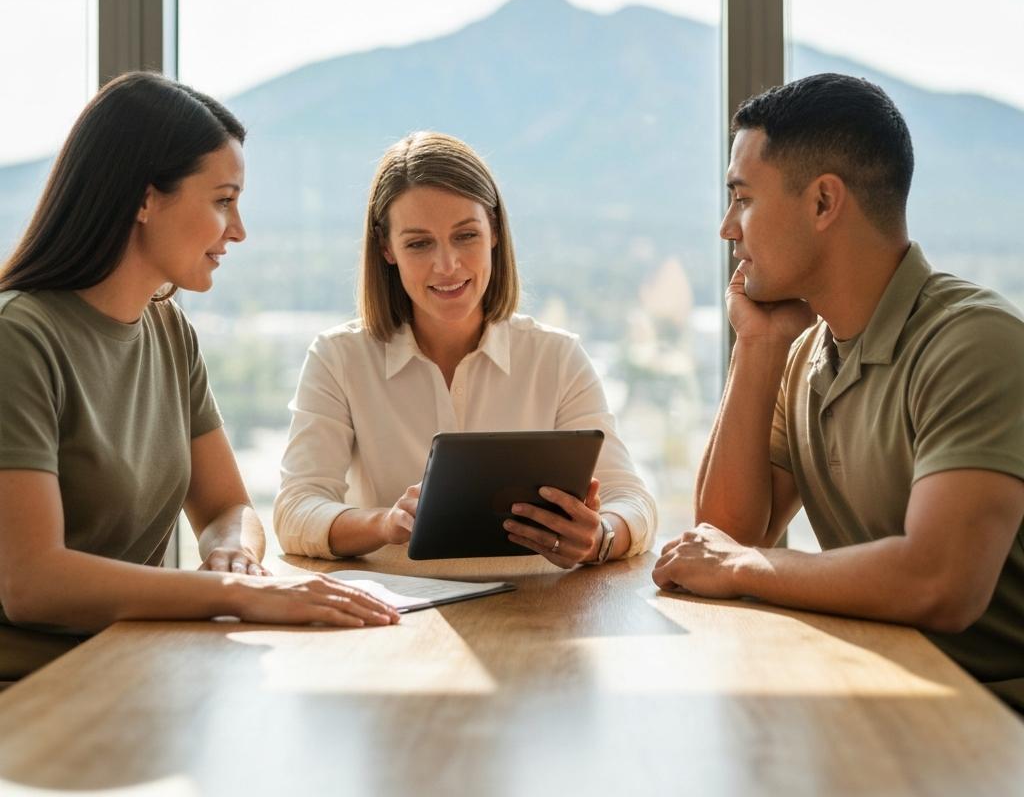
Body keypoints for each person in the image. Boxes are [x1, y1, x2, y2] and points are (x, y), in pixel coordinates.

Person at [0, 72, 399, 681]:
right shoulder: (19, 338)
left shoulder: (168, 332)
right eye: (222, 200)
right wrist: (238, 595)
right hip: (29, 699)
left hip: (132, 670)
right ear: (143, 197)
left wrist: (232, 553)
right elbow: (31, 582)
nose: (237, 230)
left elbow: (227, 505)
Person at [653, 72, 1024, 713]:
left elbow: (943, 583)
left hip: (991, 722)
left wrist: (745, 568)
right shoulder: (803, 353)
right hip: (880, 696)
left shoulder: (975, 342)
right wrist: (759, 348)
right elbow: (724, 533)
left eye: (742, 198)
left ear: (824, 203)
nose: (725, 228)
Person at [274, 131, 656, 567]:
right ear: (386, 248)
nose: (447, 265)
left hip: (537, 613)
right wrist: (385, 524)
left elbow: (633, 500)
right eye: (419, 243)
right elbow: (294, 511)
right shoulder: (338, 359)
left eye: (465, 236)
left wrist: (600, 537)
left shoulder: (557, 358)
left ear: (494, 231)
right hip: (398, 621)